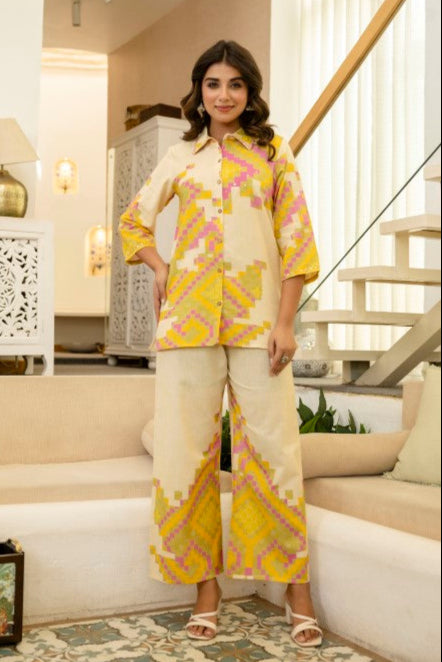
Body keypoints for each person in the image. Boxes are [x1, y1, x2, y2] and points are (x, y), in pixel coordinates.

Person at [119, 40, 322, 647]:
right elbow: (134, 221)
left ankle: (296, 589)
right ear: (199, 91)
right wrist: (160, 266)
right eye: (213, 83)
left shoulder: (273, 152)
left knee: (275, 451)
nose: (224, 94)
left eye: (235, 84)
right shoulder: (180, 155)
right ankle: (205, 590)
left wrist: (285, 323)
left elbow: (297, 241)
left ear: (249, 91)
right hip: (188, 324)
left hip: (259, 323)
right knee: (185, 456)